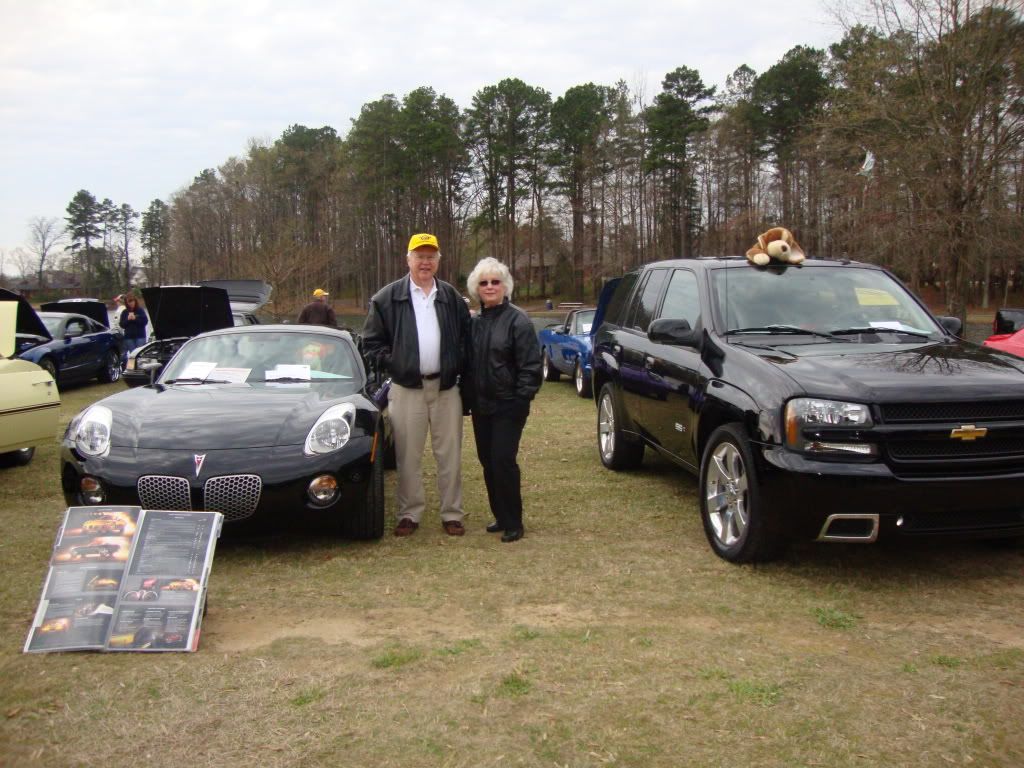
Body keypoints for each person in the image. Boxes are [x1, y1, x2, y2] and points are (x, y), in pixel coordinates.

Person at [361, 233, 472, 537]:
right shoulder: (386, 298)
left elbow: (466, 339)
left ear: (438, 260)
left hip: (446, 389)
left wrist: (457, 364)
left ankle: (452, 513)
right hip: (407, 389)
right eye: (419, 256)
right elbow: (370, 344)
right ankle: (409, 513)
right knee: (407, 456)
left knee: (449, 454)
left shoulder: (451, 298)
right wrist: (396, 363)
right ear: (407, 259)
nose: (425, 262)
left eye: (430, 256)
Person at [465, 257, 541, 543]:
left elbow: (531, 367)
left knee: (503, 460)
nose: (489, 287)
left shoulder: (518, 321)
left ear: (505, 286)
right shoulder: (475, 323)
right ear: (477, 288)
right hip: (481, 406)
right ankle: (500, 515)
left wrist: (521, 399)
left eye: (495, 282)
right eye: (484, 282)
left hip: (508, 405)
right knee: (487, 460)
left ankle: (514, 521)